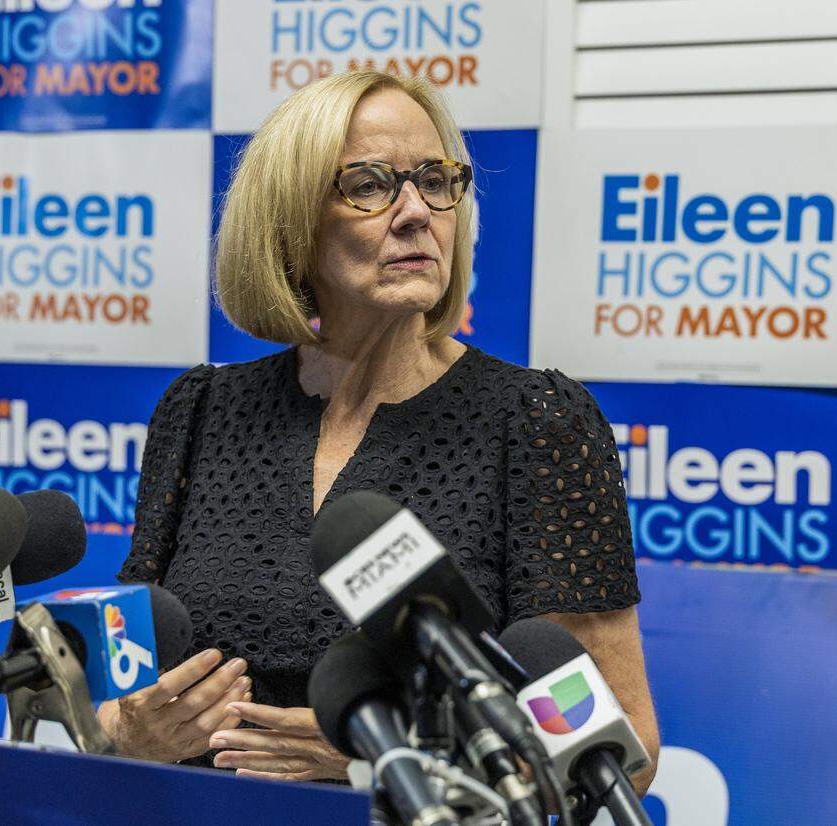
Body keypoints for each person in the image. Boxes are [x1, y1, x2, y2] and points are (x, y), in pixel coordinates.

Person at [97, 70, 660, 795]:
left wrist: (387, 762)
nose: (416, 211)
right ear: (289, 223)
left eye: (435, 179)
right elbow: (124, 687)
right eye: (368, 184)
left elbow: (621, 750)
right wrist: (128, 732)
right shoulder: (201, 410)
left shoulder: (538, 422)